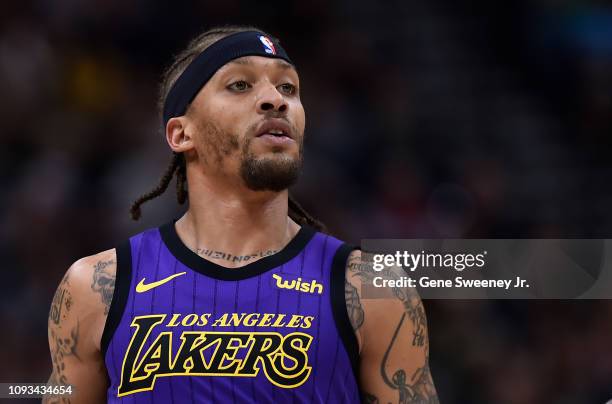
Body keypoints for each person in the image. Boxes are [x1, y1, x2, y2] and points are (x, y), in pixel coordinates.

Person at [44, 25, 439, 403]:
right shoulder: (97, 288)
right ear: (182, 134)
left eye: (289, 87)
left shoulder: (373, 289)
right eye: (240, 85)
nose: (276, 99)